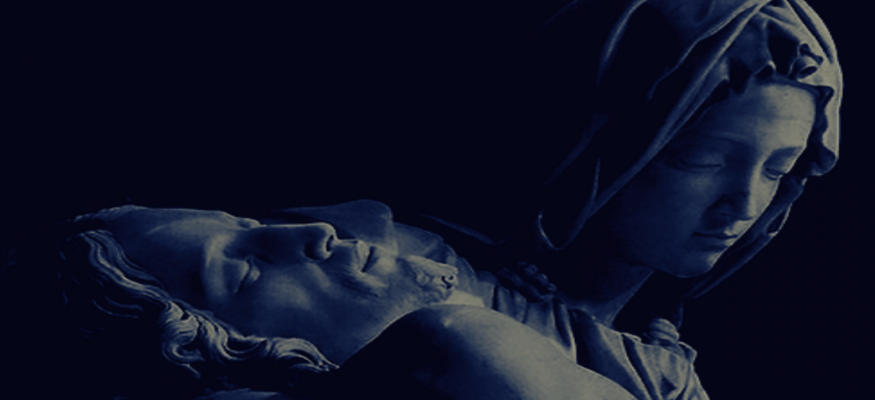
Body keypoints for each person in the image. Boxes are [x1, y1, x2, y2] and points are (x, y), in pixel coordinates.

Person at [407, 0, 842, 399]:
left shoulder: (670, 374)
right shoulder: (405, 272)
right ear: (588, 146)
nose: (745, 205)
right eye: (702, 160)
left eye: (777, 170)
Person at [51, 201, 634, 400]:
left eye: (252, 224)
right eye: (246, 270)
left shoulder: (485, 298)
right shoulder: (454, 344)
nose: (314, 232)